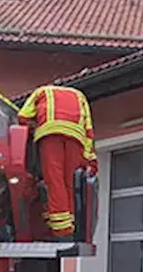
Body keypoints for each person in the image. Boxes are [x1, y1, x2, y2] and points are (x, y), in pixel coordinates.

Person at [16, 84, 99, 241]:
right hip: (76, 137)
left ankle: (62, 231)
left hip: (50, 134)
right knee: (70, 183)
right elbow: (89, 128)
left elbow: (23, 117)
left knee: (55, 181)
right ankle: (70, 226)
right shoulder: (80, 95)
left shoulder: (40, 91)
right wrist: (89, 157)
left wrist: (34, 127)